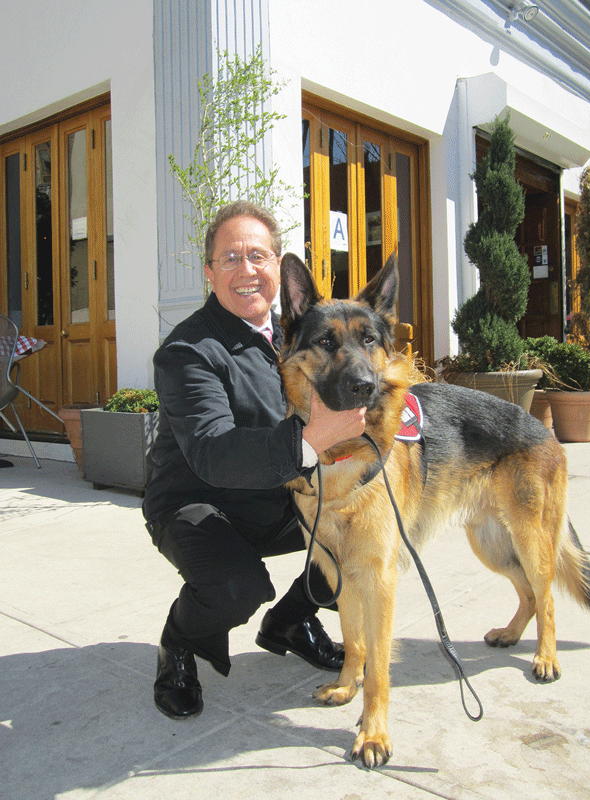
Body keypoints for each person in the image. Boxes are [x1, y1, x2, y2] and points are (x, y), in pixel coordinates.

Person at [142, 200, 366, 719]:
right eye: (231, 258)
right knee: (236, 588)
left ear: (277, 265)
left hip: (277, 493)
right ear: (209, 272)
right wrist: (309, 440)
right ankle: (177, 642)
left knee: (358, 541)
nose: (247, 270)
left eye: (258, 256)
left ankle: (290, 621)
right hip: (196, 503)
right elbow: (211, 450)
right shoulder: (187, 352)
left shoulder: (302, 334)